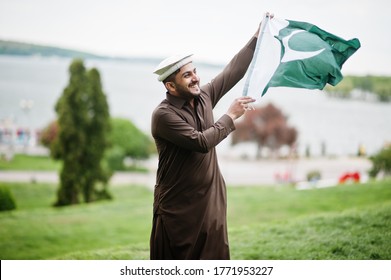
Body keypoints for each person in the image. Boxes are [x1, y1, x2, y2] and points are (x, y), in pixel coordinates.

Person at [150, 14, 272, 260]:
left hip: (212, 199)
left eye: (194, 72)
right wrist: (229, 116)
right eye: (187, 75)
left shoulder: (204, 95)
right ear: (170, 86)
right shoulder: (163, 115)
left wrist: (256, 38)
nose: (195, 78)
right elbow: (201, 142)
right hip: (178, 208)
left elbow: (232, 71)